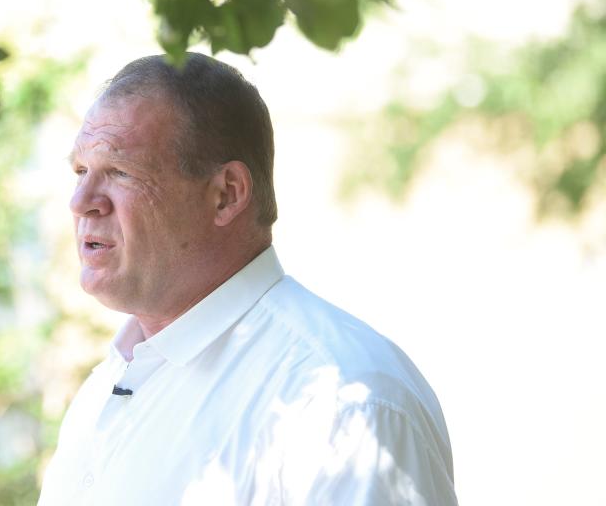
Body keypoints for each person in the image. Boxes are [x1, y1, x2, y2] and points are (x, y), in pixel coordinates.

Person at [38, 53, 456, 505]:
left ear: (226, 194)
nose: (81, 201)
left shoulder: (341, 399)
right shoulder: (105, 388)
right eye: (81, 171)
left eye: (120, 172)